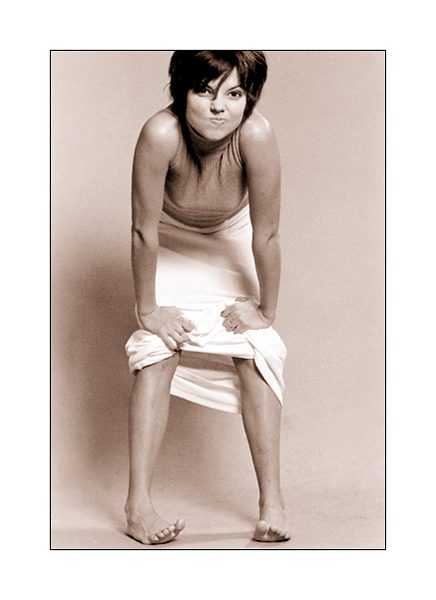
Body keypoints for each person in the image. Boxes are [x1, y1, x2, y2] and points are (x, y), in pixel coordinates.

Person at [124, 51, 290, 544]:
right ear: (182, 91)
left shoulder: (256, 134)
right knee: (156, 349)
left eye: (234, 94)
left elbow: (267, 234)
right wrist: (148, 311)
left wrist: (265, 312)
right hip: (169, 239)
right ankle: (137, 506)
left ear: (248, 99)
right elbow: (142, 231)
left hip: (230, 238)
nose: (219, 107)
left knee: (259, 350)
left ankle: (272, 501)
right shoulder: (161, 133)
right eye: (205, 91)